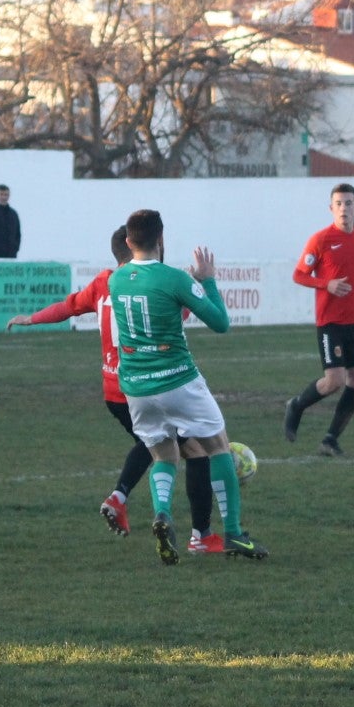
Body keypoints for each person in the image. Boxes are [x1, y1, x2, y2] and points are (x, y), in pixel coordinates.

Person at [8, 227, 223, 554]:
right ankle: (201, 535)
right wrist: (191, 288)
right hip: (147, 381)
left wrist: (31, 319)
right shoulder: (154, 283)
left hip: (113, 391)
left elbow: (67, 307)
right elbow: (175, 318)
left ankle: (120, 498)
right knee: (193, 451)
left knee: (155, 445)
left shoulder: (103, 283)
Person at [112, 208, 266, 564]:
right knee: (218, 447)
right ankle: (233, 534)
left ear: (129, 241)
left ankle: (163, 513)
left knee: (164, 454)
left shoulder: (116, 280)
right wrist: (207, 279)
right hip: (177, 378)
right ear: (161, 239)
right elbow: (220, 322)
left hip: (136, 386)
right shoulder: (175, 279)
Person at [283, 183, 354, 457]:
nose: (344, 208)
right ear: (331, 208)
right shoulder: (320, 239)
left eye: (349, 203)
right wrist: (327, 284)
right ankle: (296, 405)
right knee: (333, 381)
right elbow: (299, 275)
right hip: (330, 322)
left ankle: (330, 439)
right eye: (339, 203)